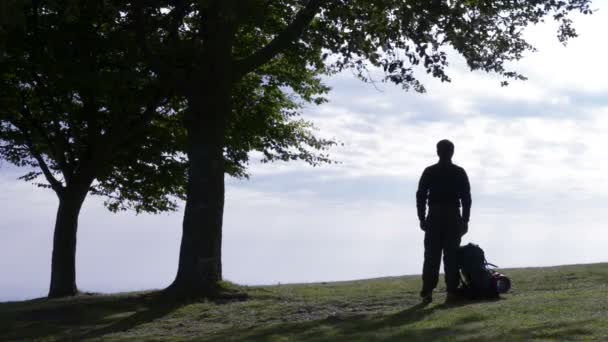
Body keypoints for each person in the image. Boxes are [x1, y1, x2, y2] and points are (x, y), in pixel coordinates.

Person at [416, 139, 471, 303]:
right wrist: (465, 220)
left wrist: (422, 217)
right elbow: (466, 198)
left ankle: (427, 292)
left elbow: (421, 196)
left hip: (434, 215)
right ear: (452, 152)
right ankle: (451, 291)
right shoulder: (459, 172)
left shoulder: (429, 171)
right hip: (453, 216)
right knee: (451, 255)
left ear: (437, 152)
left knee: (431, 255)